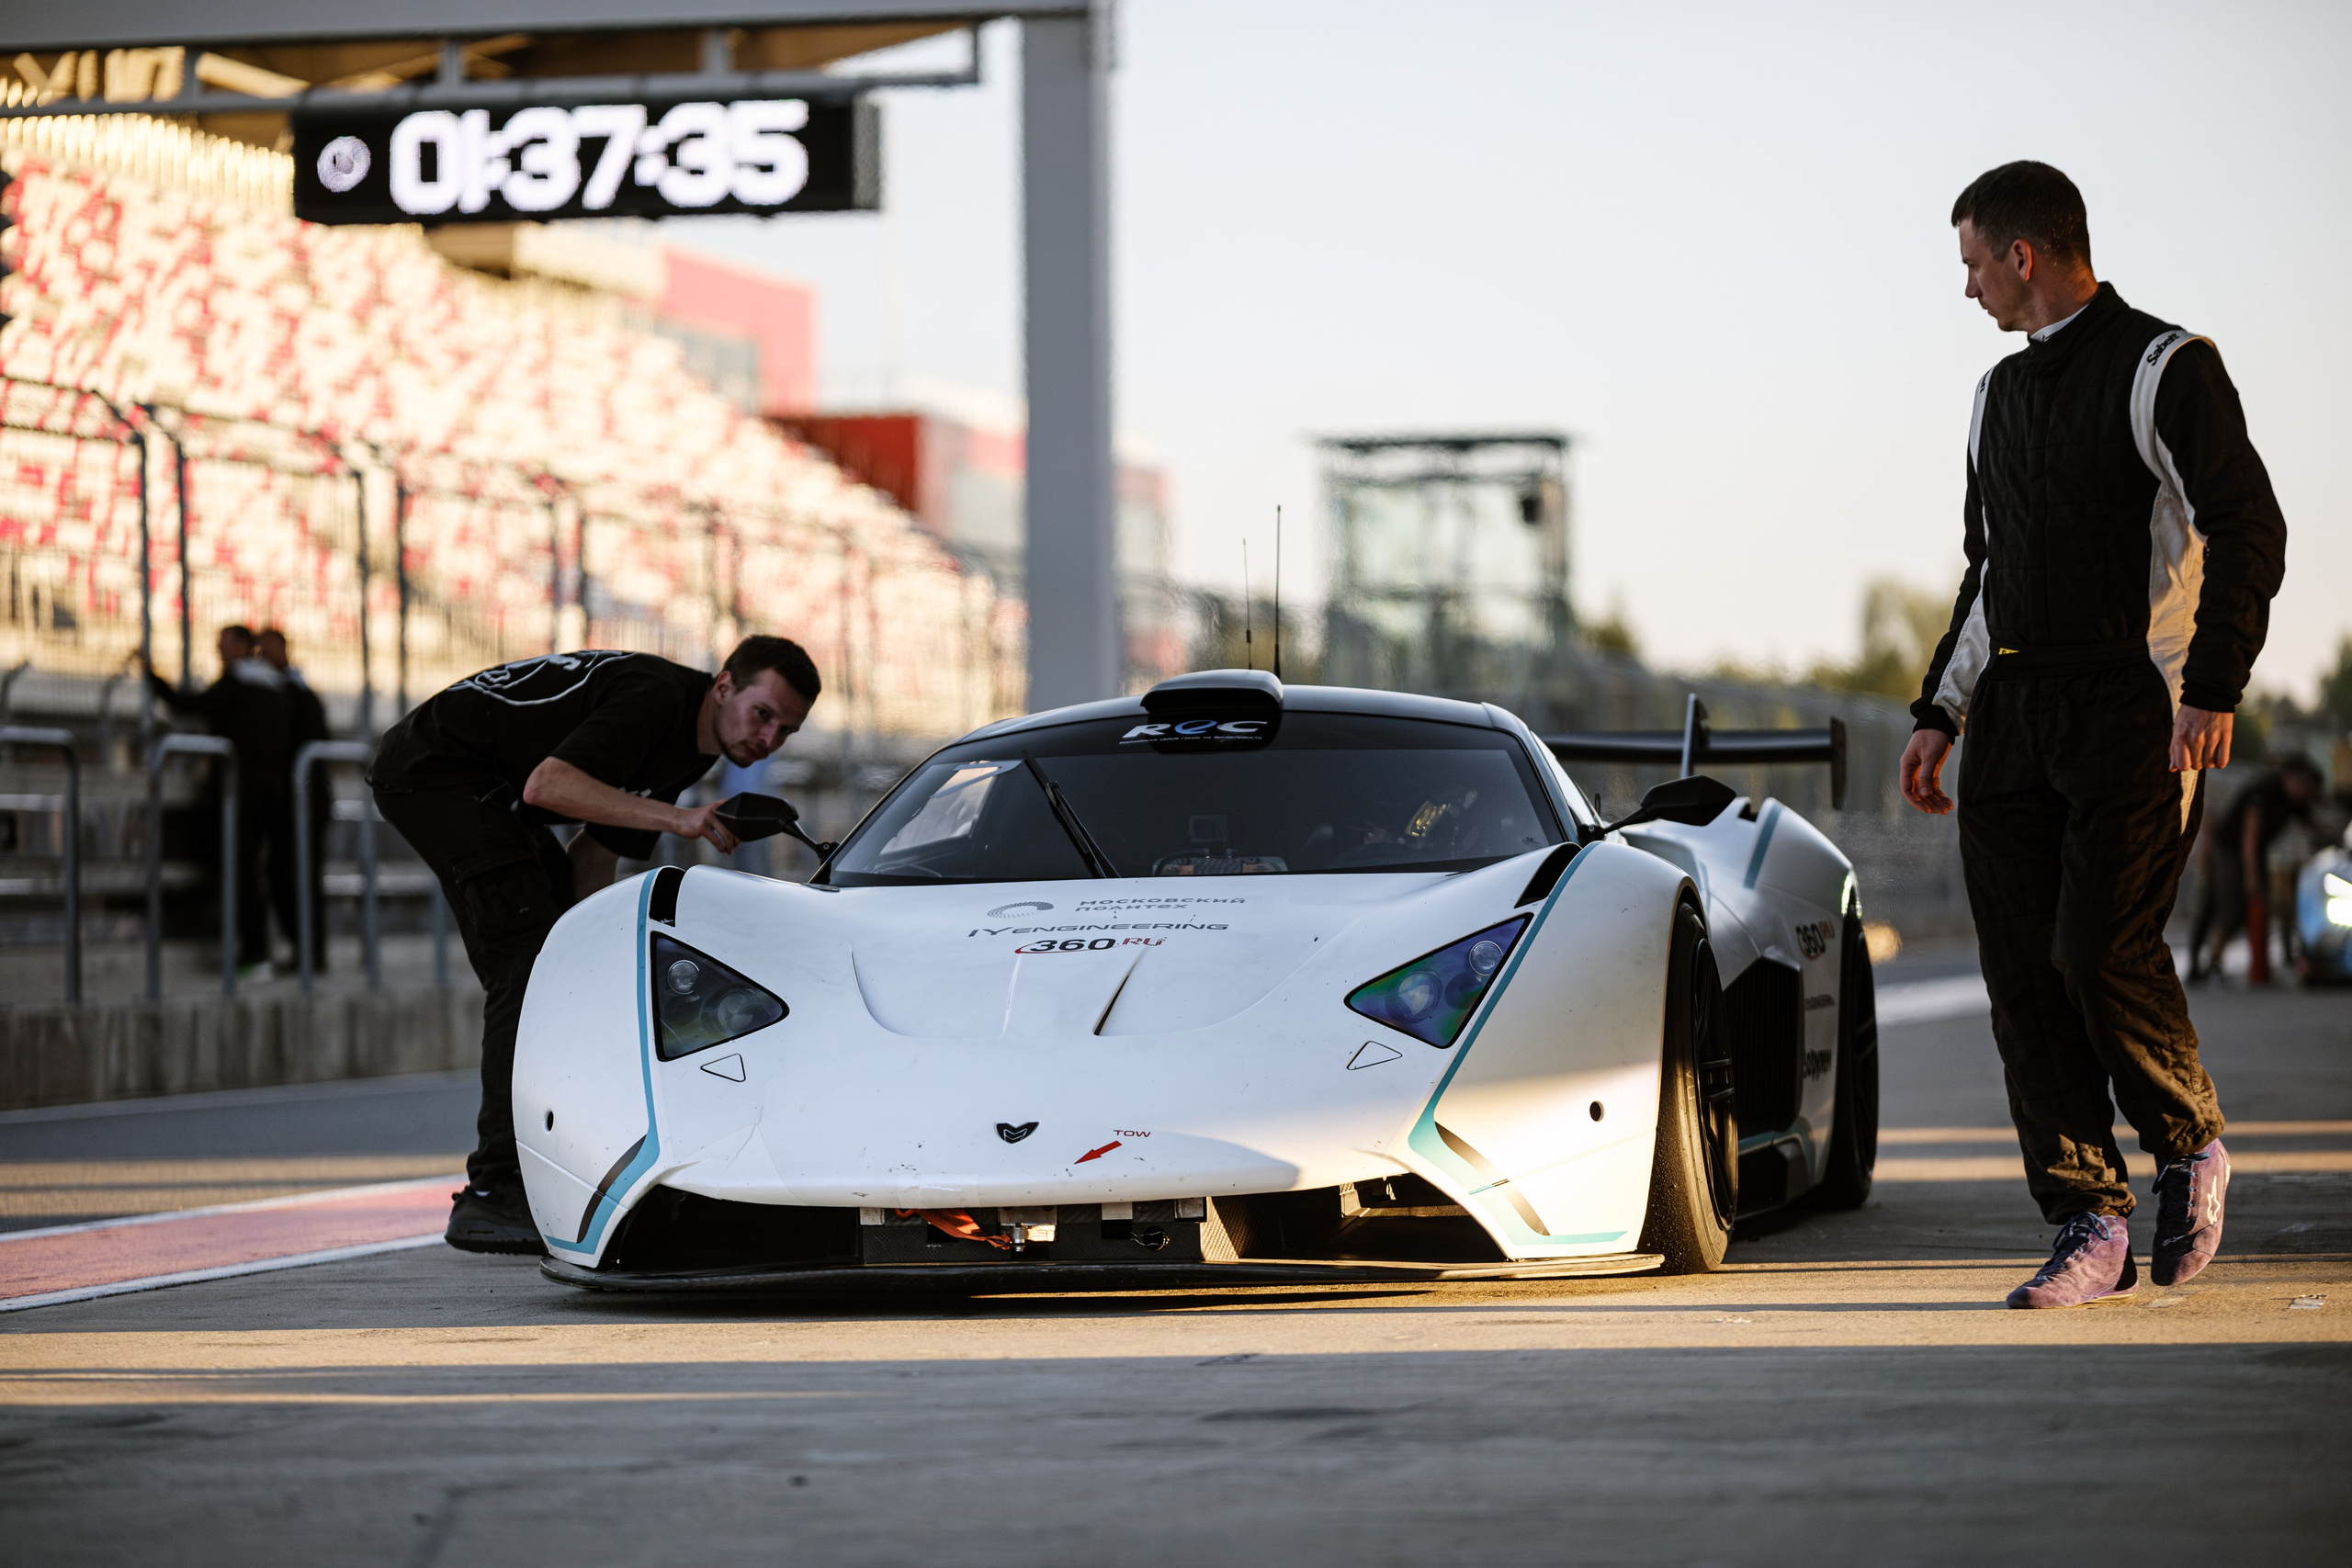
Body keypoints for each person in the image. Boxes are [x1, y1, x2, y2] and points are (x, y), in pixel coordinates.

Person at [1898, 163, 2288, 1308]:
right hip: (2014, 714)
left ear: (2024, 254)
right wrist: (1939, 711)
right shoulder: (1994, 395)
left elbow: (2247, 525)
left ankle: (2190, 1144)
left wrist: (2212, 685)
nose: (1966, 289)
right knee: (2020, 979)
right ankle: (2087, 1220)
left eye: (1972, 263)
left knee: (2097, 950)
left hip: (2136, 709)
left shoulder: (2168, 368)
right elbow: (1989, 573)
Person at [369, 638, 820, 1253]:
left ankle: (553, 1168)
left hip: (490, 789)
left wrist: (587, 961)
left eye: (786, 731)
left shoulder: (690, 749)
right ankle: (493, 1192)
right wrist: (678, 818)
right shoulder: (656, 700)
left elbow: (595, 853)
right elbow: (547, 785)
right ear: (723, 686)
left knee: (557, 963)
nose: (767, 739)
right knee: (527, 970)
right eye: (762, 714)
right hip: (437, 772)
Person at [146, 626, 292, 980]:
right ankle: (259, 951)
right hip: (268, 791)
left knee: (240, 873)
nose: (218, 650)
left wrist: (152, 677)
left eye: (224, 643)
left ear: (243, 646)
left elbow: (190, 705)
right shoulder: (273, 686)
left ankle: (255, 954)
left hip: (238, 793)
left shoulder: (238, 683)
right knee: (250, 872)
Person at [2188, 754, 2322, 983]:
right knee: (2229, 903)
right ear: (2294, 780)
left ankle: (2228, 962)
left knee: (2251, 904)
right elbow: (2249, 838)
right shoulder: (2265, 790)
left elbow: (2315, 826)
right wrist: (2251, 878)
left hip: (2251, 854)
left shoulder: (2293, 801)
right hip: (2230, 850)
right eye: (2306, 787)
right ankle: (2207, 963)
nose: (2307, 794)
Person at [255, 629, 333, 970]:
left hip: (304, 803)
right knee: (284, 877)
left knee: (298, 877)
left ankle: (311, 953)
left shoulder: (295, 694)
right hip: (290, 802)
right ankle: (307, 951)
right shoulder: (284, 692)